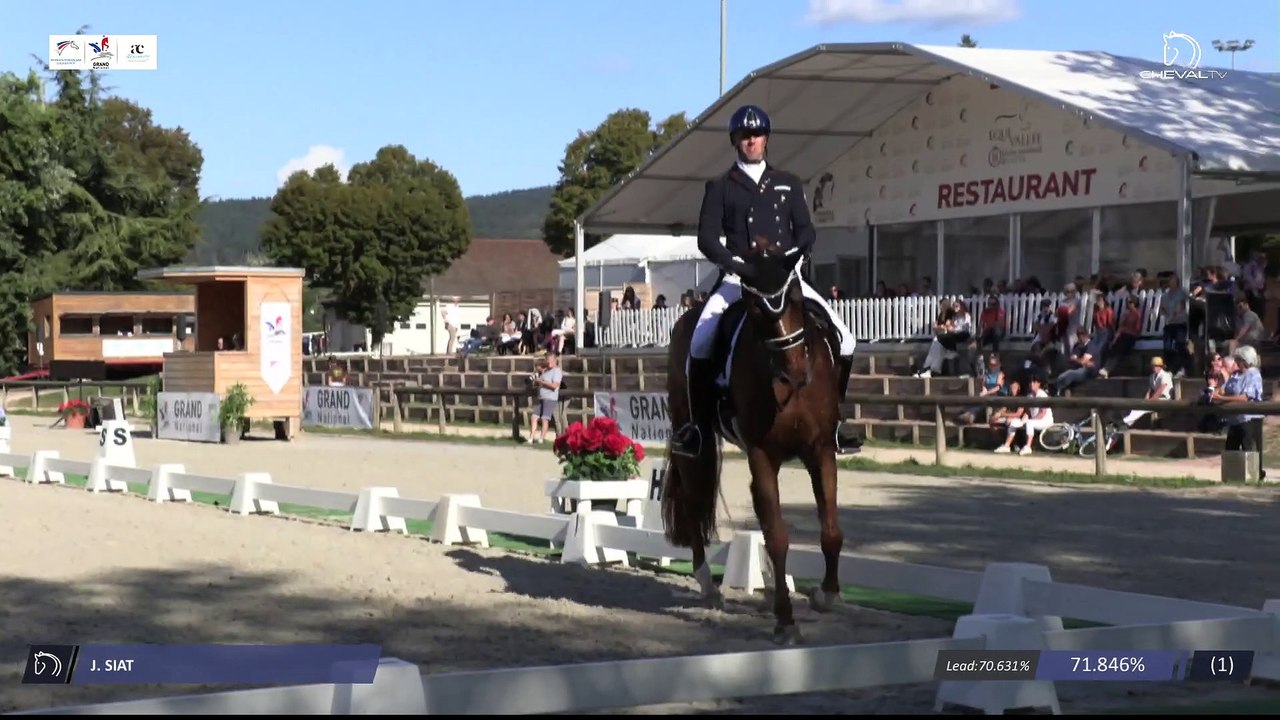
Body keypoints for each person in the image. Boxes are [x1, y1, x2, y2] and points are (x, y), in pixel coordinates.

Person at [671, 103, 859, 458]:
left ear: (766, 139)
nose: (751, 140)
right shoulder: (721, 187)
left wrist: (792, 258)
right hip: (739, 279)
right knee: (700, 341)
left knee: (846, 338)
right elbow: (707, 239)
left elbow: (805, 231)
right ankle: (697, 427)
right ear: (735, 140)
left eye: (757, 134)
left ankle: (836, 420)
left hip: (785, 278)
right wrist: (736, 264)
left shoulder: (788, 183)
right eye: (745, 135)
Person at [528, 350, 562, 444]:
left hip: (550, 398)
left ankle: (541, 439)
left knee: (545, 418)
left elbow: (555, 386)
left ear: (555, 360)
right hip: (541, 397)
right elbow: (540, 382)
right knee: (534, 417)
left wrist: (542, 382)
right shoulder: (545, 371)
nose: (549, 362)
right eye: (547, 360)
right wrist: (536, 382)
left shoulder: (557, 371)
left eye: (550, 360)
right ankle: (531, 438)